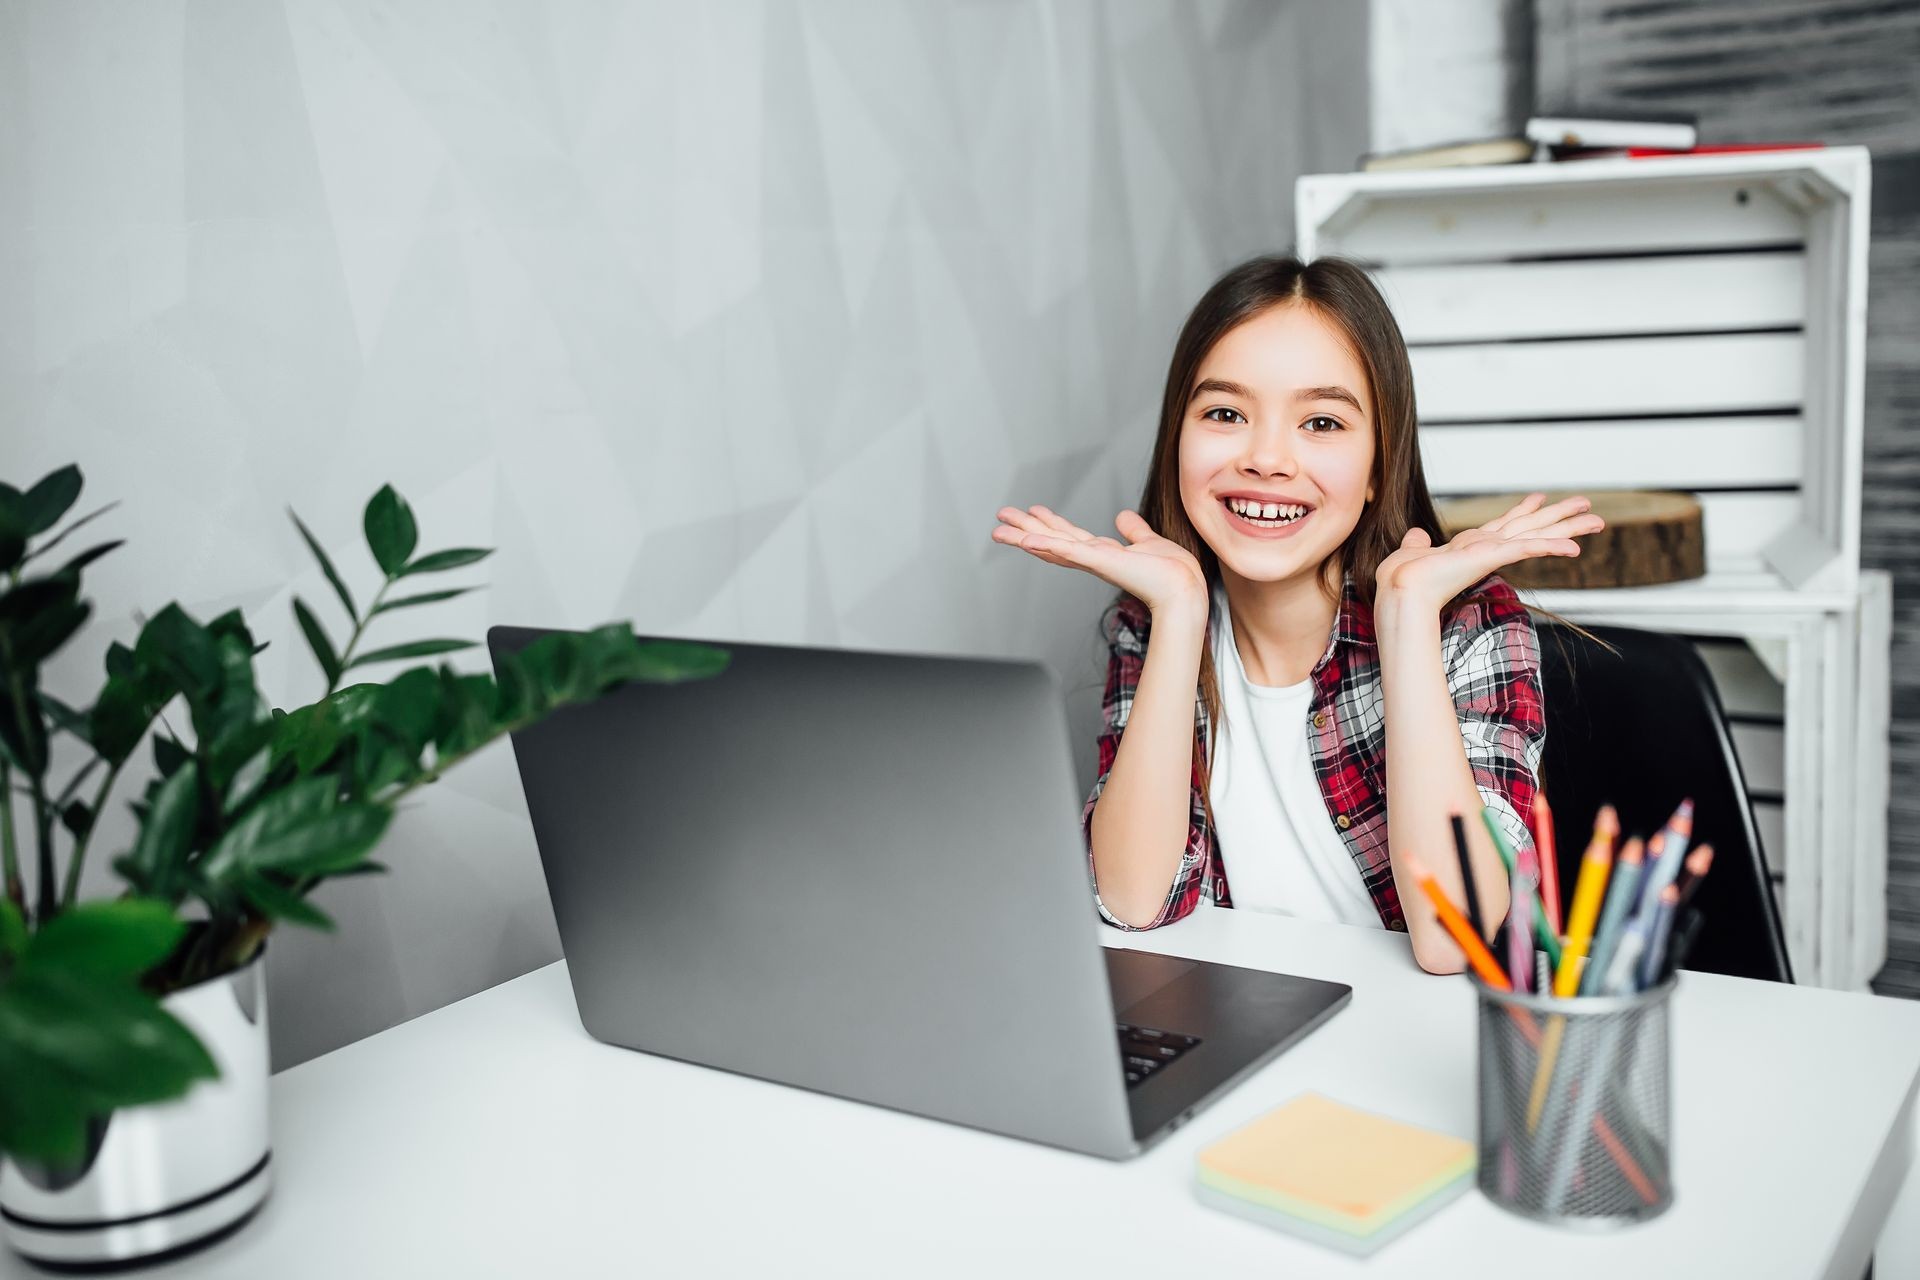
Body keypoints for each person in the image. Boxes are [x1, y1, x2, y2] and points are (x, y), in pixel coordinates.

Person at [990, 255, 1604, 974]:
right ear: (1176, 442)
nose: (1268, 459)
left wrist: (1407, 624)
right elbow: (1132, 901)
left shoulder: (1469, 625)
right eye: (1224, 413)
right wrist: (1181, 614)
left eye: (1321, 421)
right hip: (1247, 1028)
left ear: (1380, 465)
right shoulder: (1153, 621)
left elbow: (1451, 940)